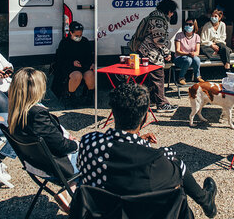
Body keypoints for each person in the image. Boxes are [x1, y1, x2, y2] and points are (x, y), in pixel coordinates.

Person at [77, 83, 218, 218]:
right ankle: (205, 200)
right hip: (140, 212)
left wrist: (139, 143)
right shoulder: (156, 162)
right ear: (145, 117)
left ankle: (206, 200)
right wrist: (161, 152)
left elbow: (118, 157)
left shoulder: (88, 142)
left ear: (113, 113)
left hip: (100, 212)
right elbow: (175, 179)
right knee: (176, 163)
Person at [7, 67, 79, 176]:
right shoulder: (37, 114)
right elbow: (61, 147)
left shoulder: (16, 111)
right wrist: (76, 144)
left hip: (34, 163)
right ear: (36, 89)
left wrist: (65, 139)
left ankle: (71, 188)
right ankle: (75, 188)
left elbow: (51, 139)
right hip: (56, 166)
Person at [134, 0, 179, 113]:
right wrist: (167, 52)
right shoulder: (158, 20)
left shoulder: (154, 16)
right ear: (168, 10)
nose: (172, 14)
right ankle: (162, 104)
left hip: (145, 52)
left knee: (149, 79)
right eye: (172, 11)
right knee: (158, 77)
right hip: (151, 54)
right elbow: (159, 40)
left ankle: (151, 100)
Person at [52, 21, 95, 104]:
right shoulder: (64, 43)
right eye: (76, 36)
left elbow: (89, 55)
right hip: (69, 67)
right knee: (77, 76)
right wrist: (72, 62)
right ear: (71, 33)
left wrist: (92, 63)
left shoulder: (84, 41)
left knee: (90, 75)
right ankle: (71, 96)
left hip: (83, 66)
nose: (78, 37)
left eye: (80, 35)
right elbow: (60, 59)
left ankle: (89, 96)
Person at [174, 19, 204, 85]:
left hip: (191, 57)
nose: (188, 26)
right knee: (188, 60)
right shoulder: (179, 35)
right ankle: (181, 77)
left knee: (197, 59)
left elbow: (197, 52)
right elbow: (177, 51)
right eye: (186, 24)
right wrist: (188, 54)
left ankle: (197, 76)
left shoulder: (197, 37)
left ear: (194, 26)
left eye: (190, 24)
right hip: (180, 58)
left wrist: (193, 54)